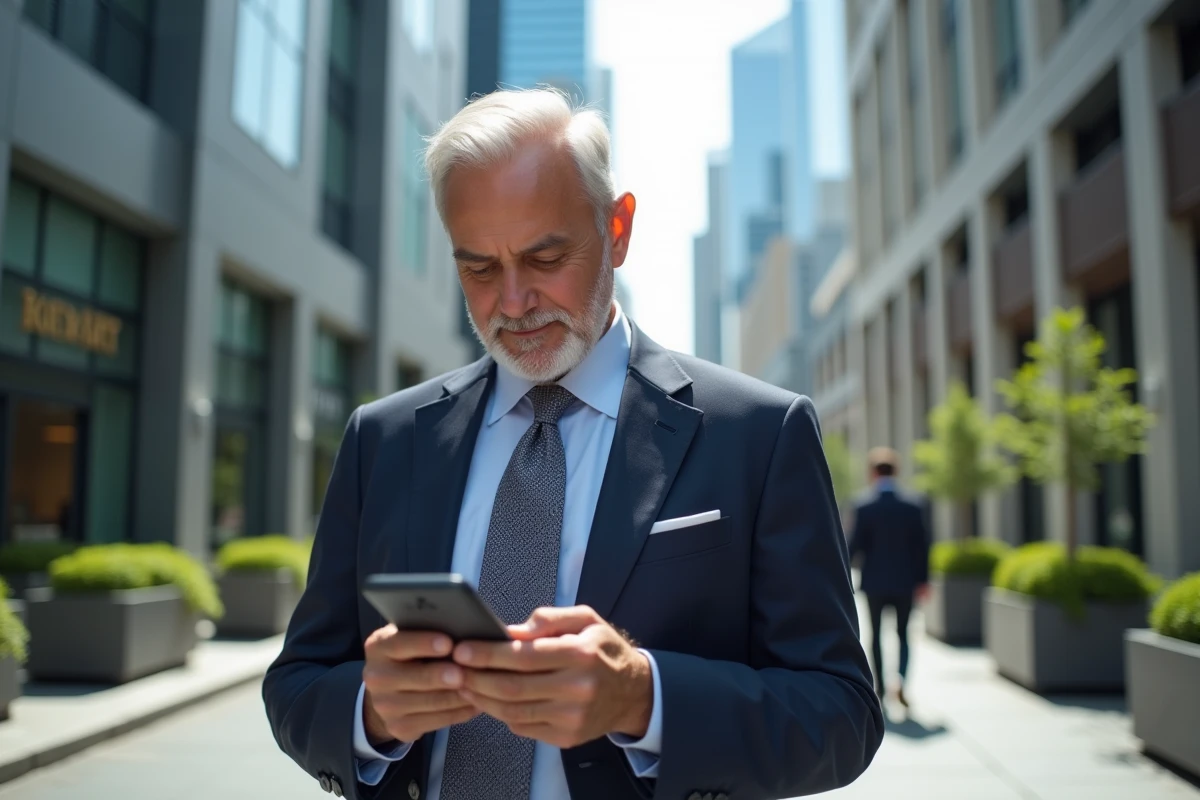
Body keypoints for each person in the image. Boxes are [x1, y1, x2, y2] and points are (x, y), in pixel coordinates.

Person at [263, 88, 883, 800]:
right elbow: (297, 682)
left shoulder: (758, 436)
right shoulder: (385, 440)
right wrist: (370, 713)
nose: (515, 301)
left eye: (545, 256)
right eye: (480, 269)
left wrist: (644, 698)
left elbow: (842, 716)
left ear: (617, 229)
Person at [847, 447, 932, 708]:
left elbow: (855, 546)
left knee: (875, 636)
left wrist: (842, 575)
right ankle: (902, 682)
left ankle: (881, 689)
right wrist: (924, 580)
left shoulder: (864, 506)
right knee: (904, 634)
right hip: (906, 582)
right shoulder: (913, 505)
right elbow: (923, 546)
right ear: (895, 471)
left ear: (873, 473)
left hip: (874, 582)